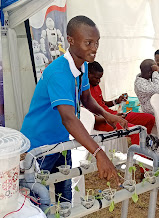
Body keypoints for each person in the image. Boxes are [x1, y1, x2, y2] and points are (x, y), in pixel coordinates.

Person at [21, 16, 126, 202]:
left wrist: (107, 114)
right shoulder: (59, 72)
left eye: (96, 42)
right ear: (71, 40)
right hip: (40, 146)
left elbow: (86, 98)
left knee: (65, 196)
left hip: (61, 142)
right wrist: (99, 154)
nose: (94, 48)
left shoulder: (82, 66)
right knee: (38, 199)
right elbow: (68, 118)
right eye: (88, 43)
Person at [88, 61, 156, 146]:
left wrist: (116, 101)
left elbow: (102, 103)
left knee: (150, 119)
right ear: (88, 73)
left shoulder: (95, 85)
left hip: (114, 115)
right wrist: (112, 117)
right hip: (104, 122)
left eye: (100, 78)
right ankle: (139, 157)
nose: (99, 81)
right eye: (96, 78)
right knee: (136, 131)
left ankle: (144, 145)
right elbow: (91, 119)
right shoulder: (81, 91)